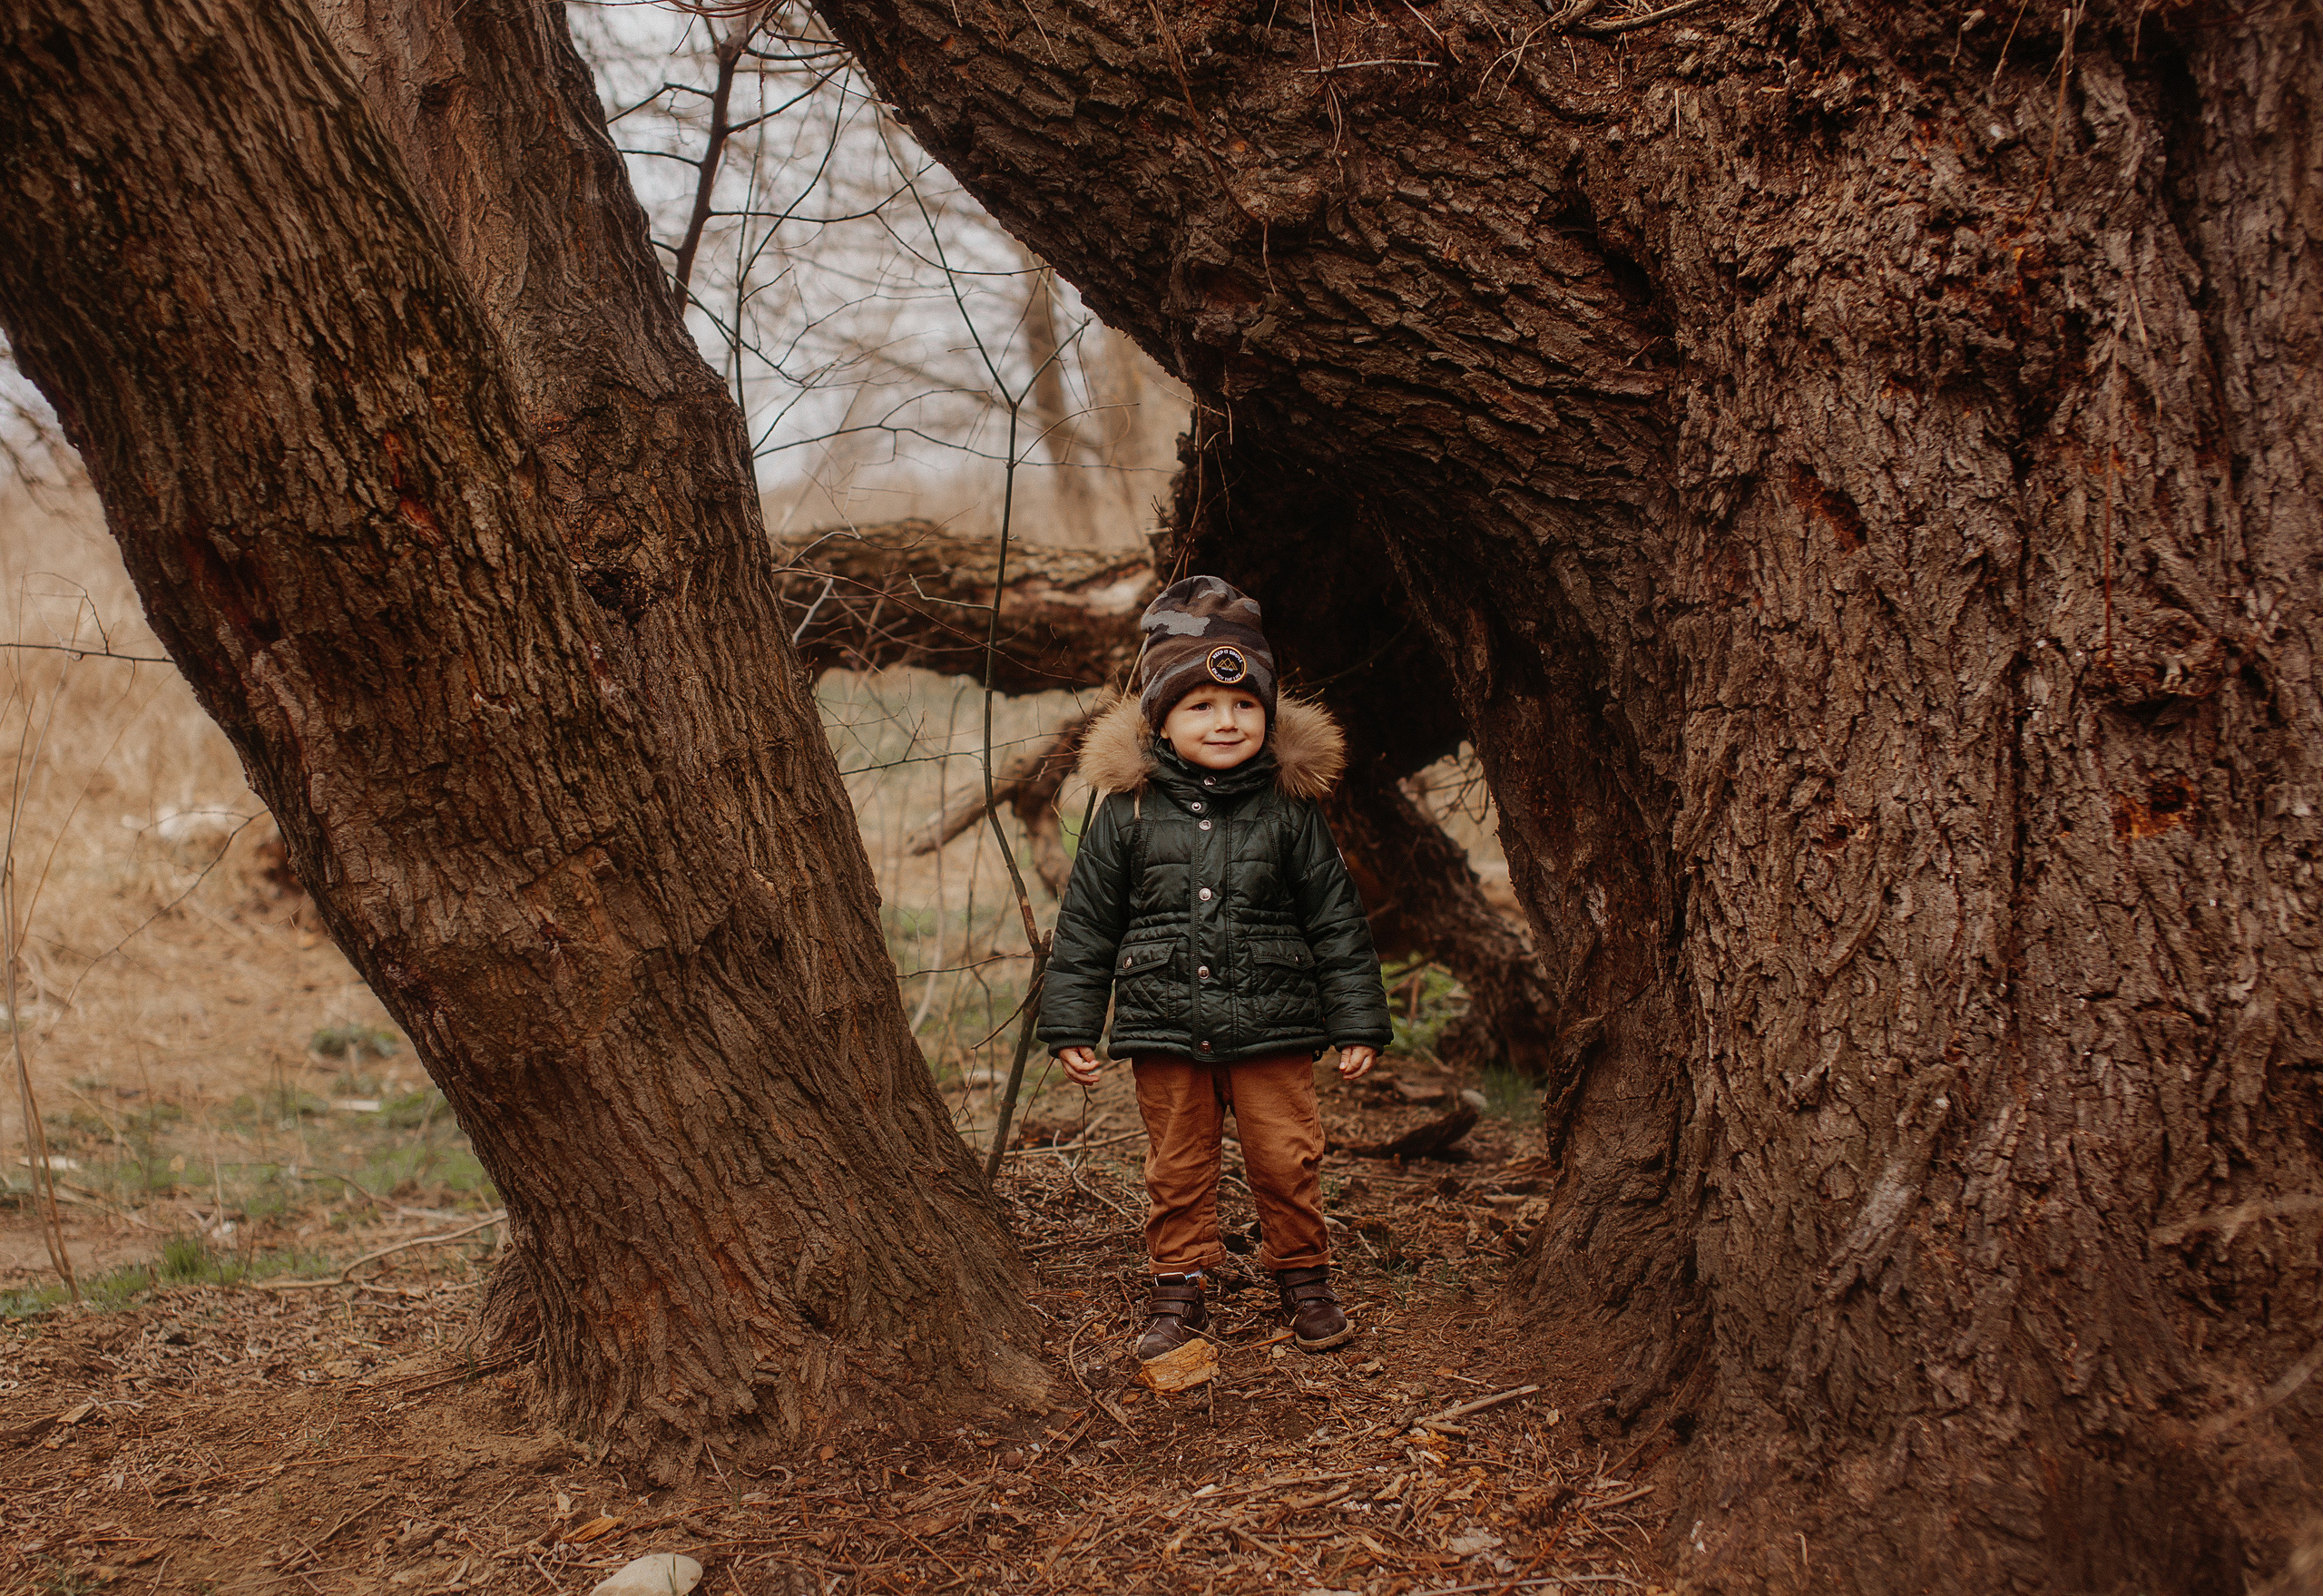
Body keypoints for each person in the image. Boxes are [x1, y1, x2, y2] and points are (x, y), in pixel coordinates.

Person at [1038, 575, 1392, 1361]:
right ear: (1162, 720)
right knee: (1177, 1162)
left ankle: (1303, 1273)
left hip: (1275, 1023)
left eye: (1243, 706)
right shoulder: (1125, 810)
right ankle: (1180, 1282)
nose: (1225, 722)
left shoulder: (1290, 808)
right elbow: (1088, 925)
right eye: (1200, 706)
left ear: (1268, 714)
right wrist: (1069, 1019)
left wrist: (1357, 1017)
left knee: (1286, 1154)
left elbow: (1336, 918)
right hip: (1167, 1022)